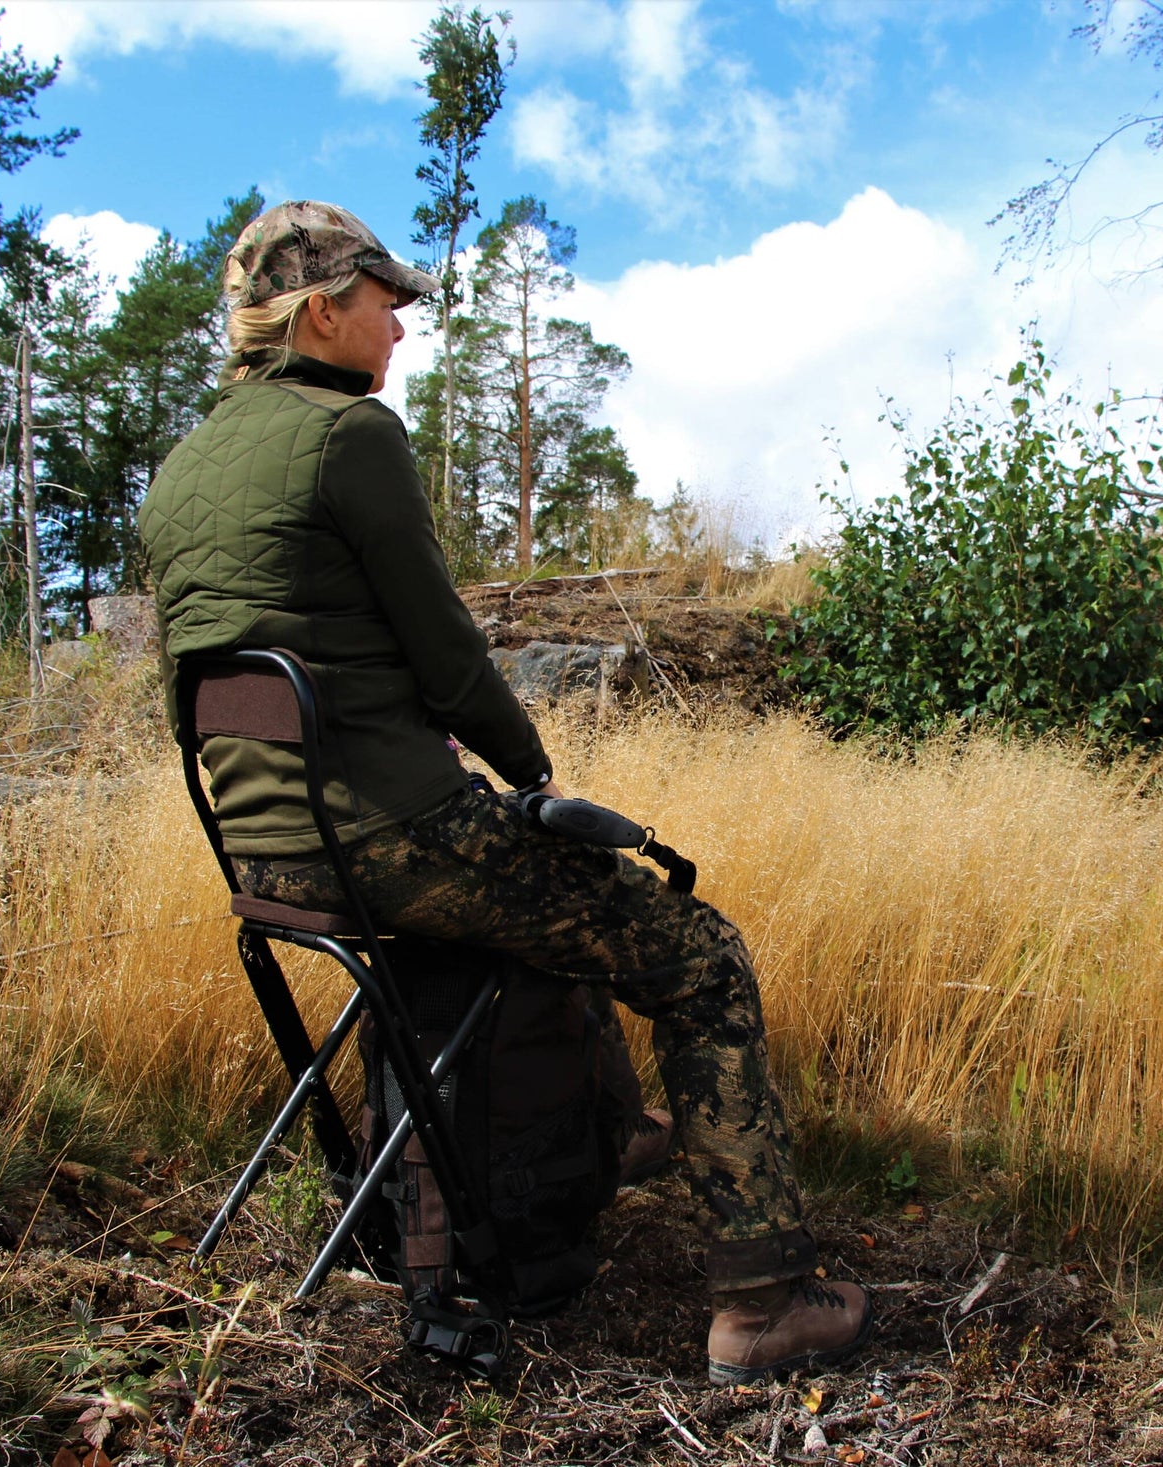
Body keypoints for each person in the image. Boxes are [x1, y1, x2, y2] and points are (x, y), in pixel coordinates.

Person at [139, 200, 872, 1383]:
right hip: (390, 841)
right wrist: (529, 773)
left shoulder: (182, 470)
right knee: (698, 953)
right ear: (322, 309)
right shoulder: (347, 436)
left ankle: (603, 1140)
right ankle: (764, 1298)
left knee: (554, 900)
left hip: (267, 864)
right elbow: (444, 660)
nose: (398, 328)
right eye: (385, 303)